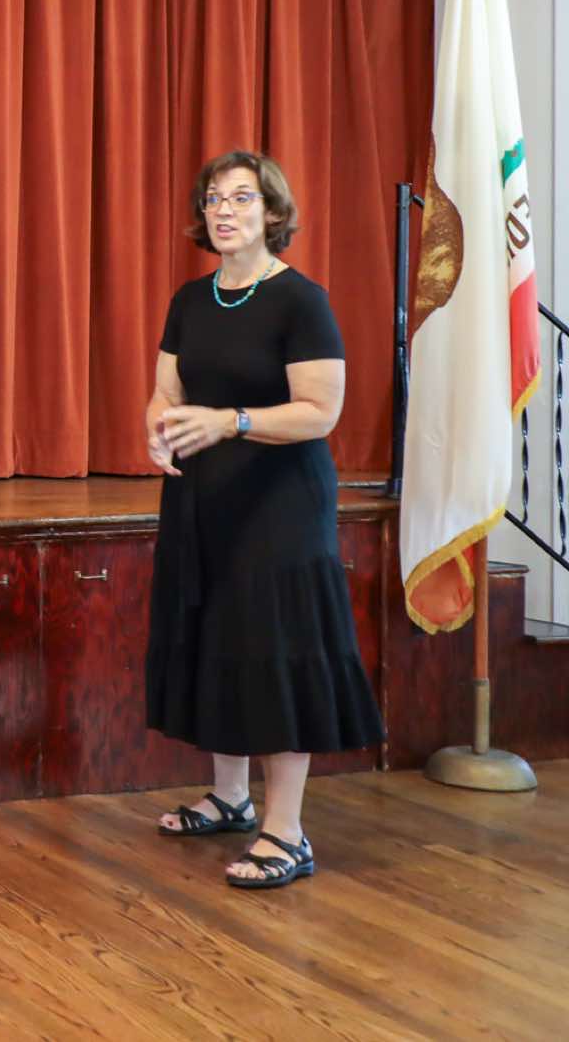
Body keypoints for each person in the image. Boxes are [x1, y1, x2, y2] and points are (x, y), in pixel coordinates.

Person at [145, 149, 382, 889]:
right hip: (203, 497)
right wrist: (159, 426)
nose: (224, 210)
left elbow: (320, 411)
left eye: (242, 198)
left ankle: (287, 831)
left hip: (280, 506)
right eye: (214, 198)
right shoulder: (191, 299)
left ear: (273, 212)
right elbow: (167, 390)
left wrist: (230, 421)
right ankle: (231, 798)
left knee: (276, 653)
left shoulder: (300, 301)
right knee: (221, 641)